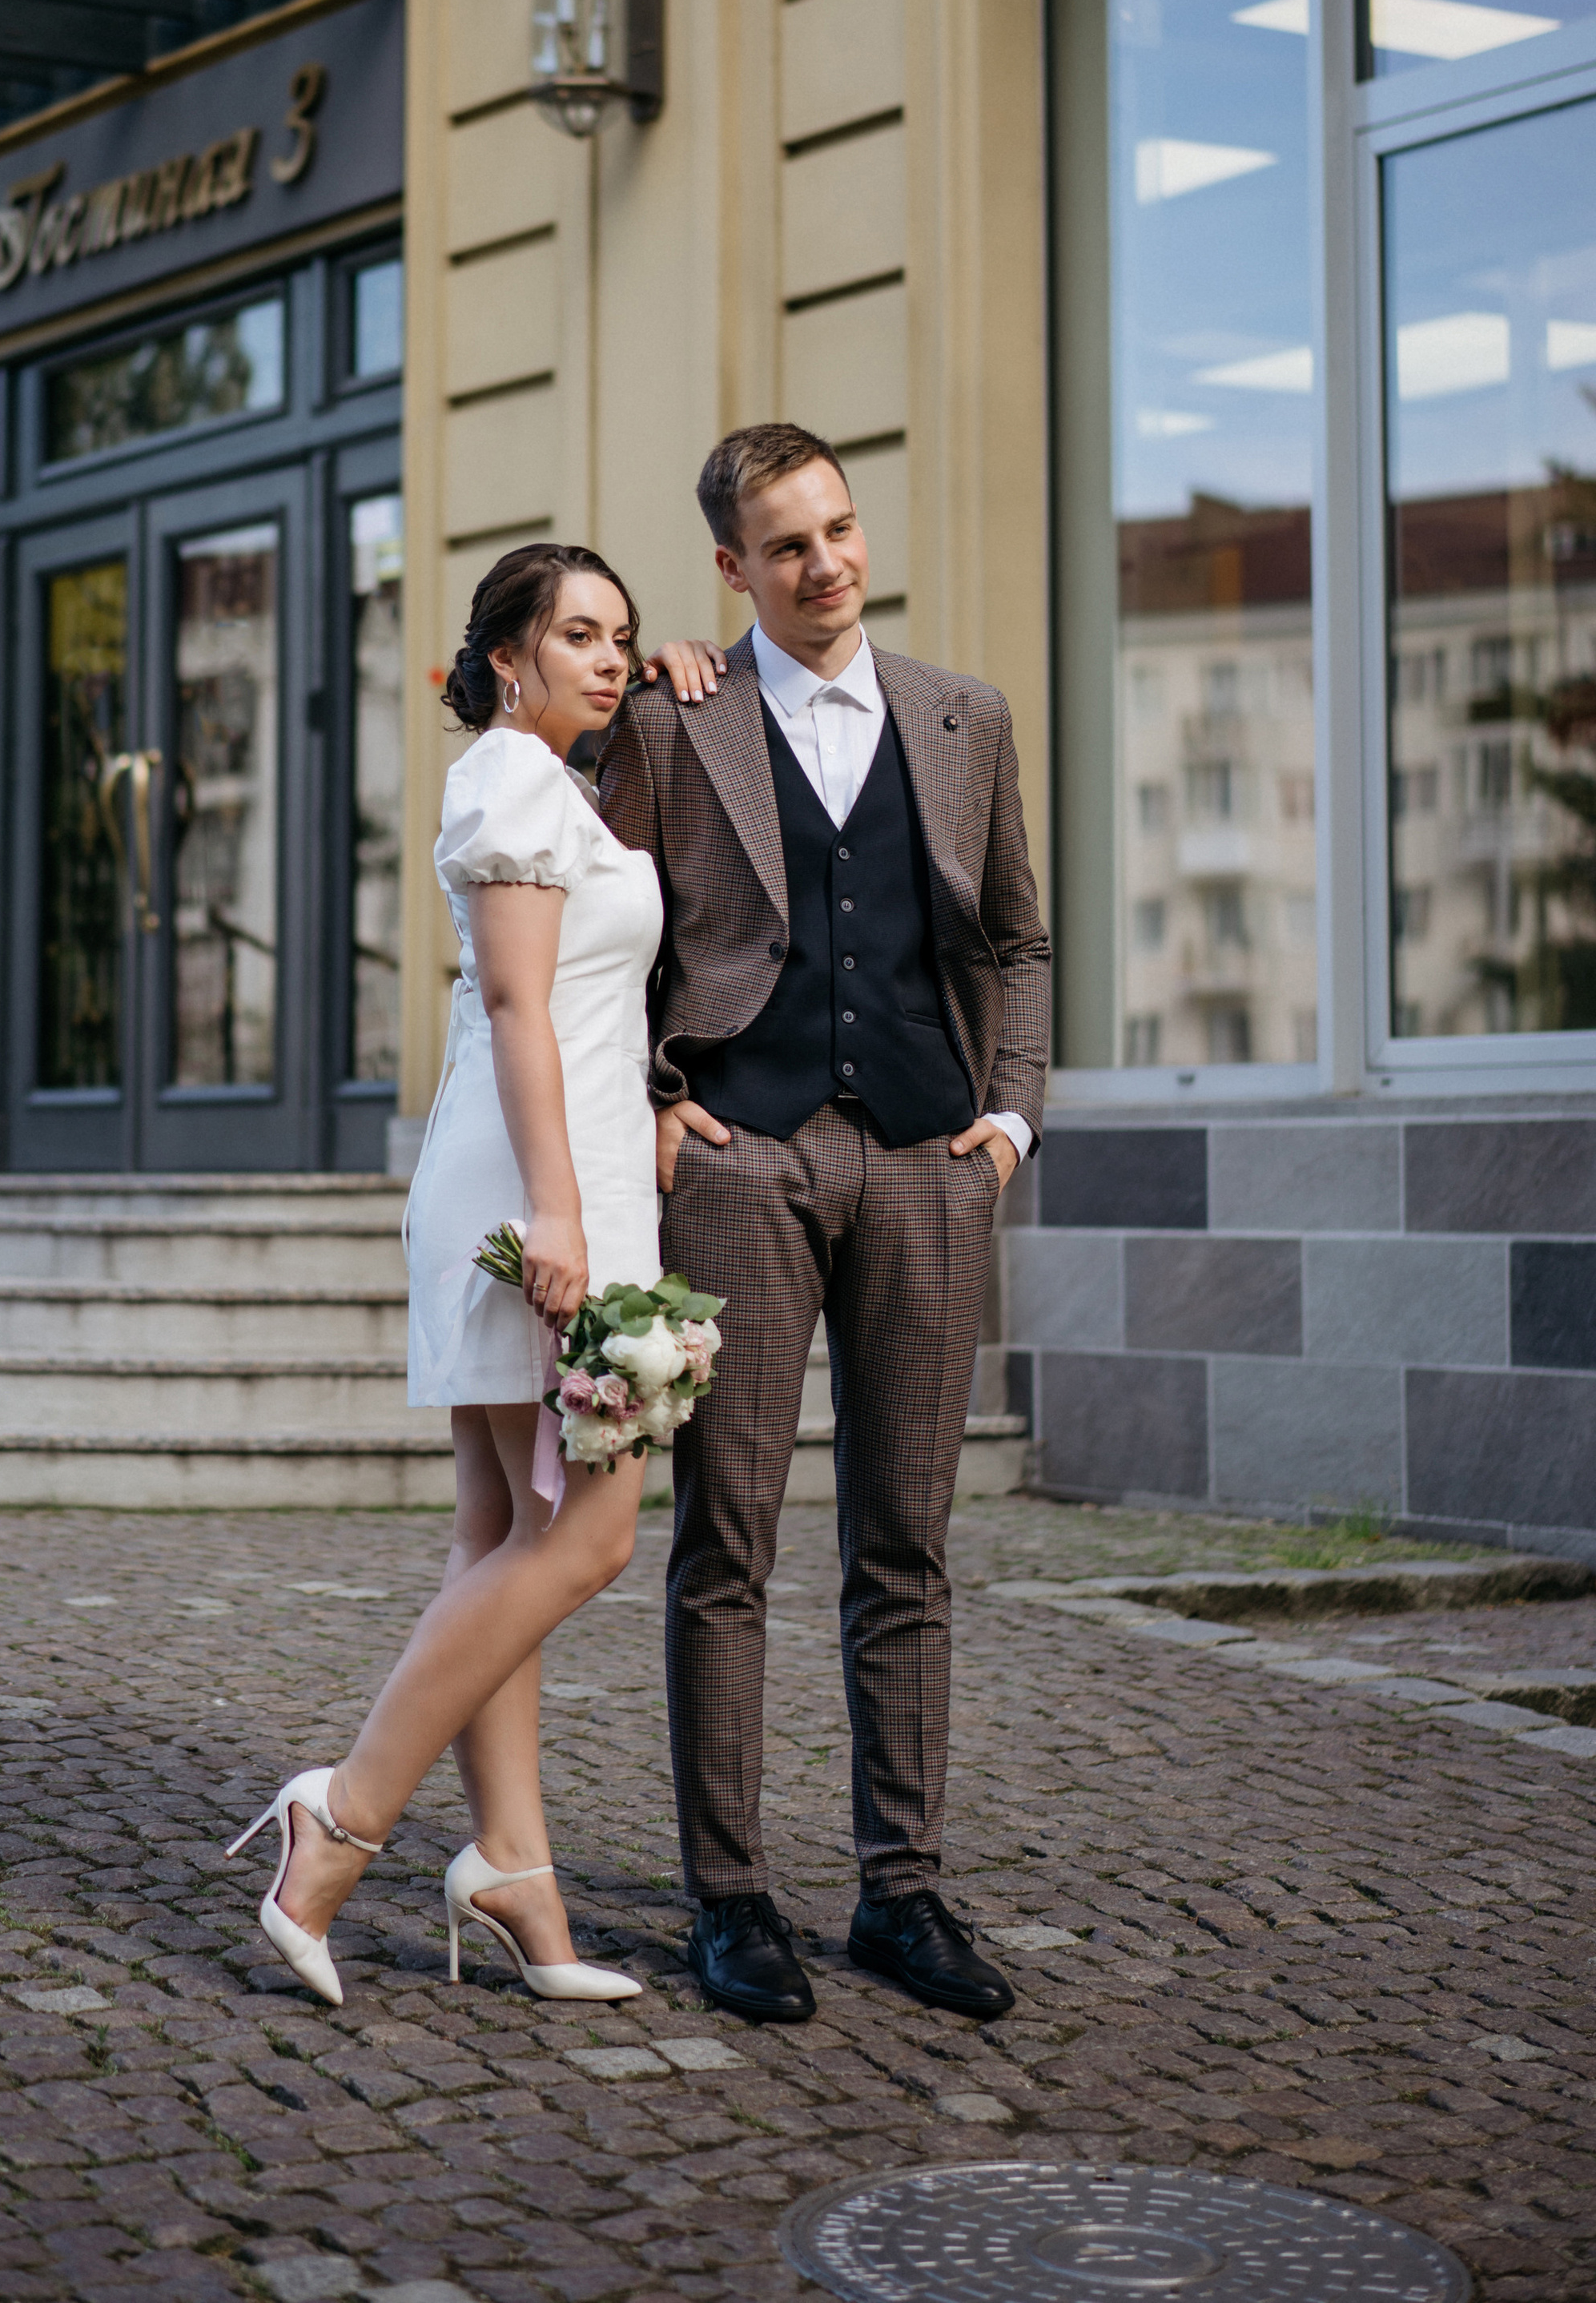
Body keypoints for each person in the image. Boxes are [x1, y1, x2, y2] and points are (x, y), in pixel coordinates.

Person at [599, 421, 1051, 2027]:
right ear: (729, 565)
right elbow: (602, 931)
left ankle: (900, 1890)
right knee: (727, 1542)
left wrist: (1005, 1117)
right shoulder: (671, 721)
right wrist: (653, 1092)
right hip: (744, 1164)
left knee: (905, 1542)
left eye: (839, 528)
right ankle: (729, 1900)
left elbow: (1016, 932)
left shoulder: (960, 716)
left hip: (930, 1157)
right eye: (784, 543)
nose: (825, 564)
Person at [227, 543, 660, 2008]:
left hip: (549, 1178)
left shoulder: (549, 779)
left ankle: (518, 1869)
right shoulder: (516, 783)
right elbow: (527, 1007)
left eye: (624, 635)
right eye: (578, 635)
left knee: (509, 1527)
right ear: (505, 660)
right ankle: (340, 1816)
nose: (609, 657)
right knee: (591, 1534)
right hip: (539, 1196)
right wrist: (561, 1219)